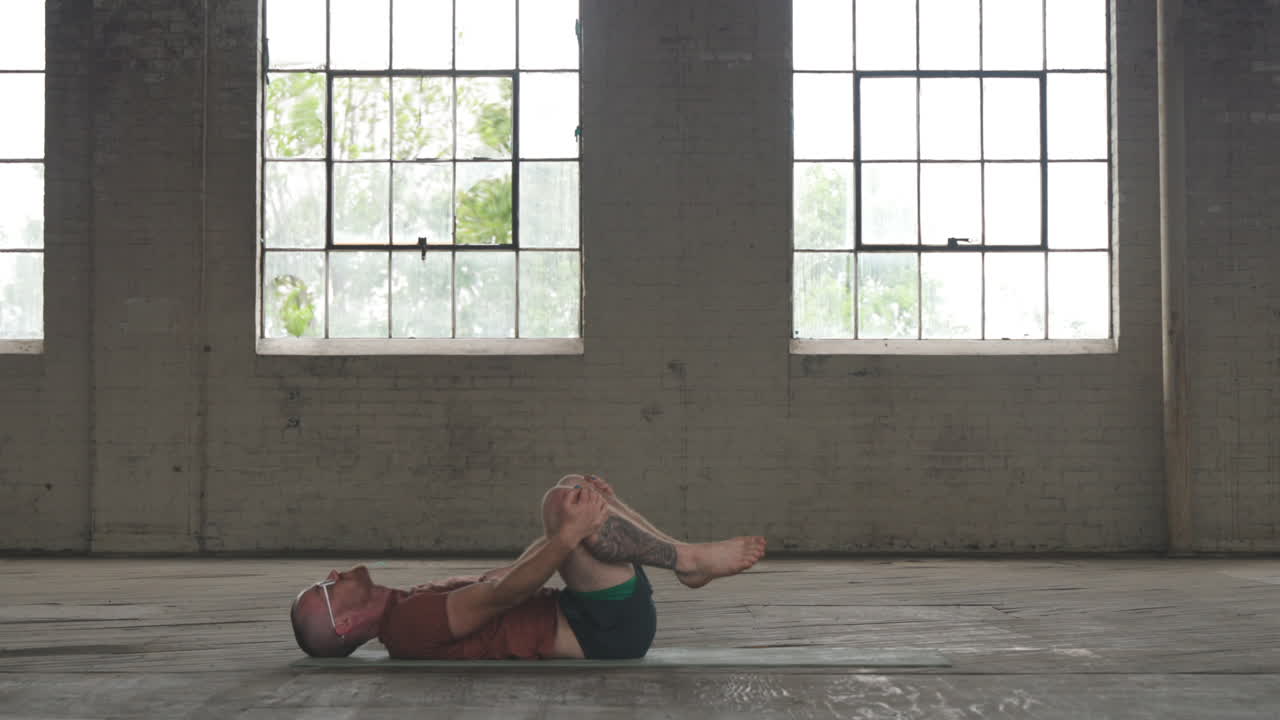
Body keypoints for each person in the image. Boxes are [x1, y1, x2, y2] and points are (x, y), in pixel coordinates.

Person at [289, 474, 767, 660]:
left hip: (595, 615)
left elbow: (498, 584)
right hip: (604, 632)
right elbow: (503, 596)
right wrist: (566, 533)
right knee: (564, 504)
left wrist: (599, 511)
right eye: (324, 589)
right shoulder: (407, 624)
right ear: (346, 623)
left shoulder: (406, 604)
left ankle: (687, 562)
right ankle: (687, 560)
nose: (332, 576)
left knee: (577, 491)